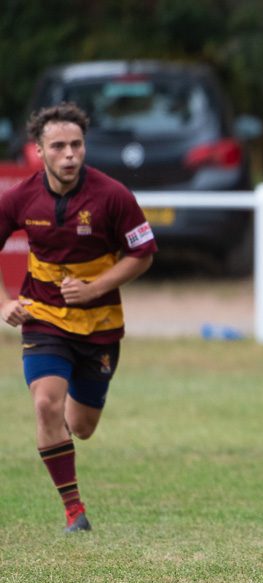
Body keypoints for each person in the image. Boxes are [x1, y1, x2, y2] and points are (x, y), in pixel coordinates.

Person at [0, 103, 157, 534]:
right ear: (39, 151)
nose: (69, 154)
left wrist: (94, 288)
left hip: (100, 326)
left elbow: (143, 253)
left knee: (82, 428)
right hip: (43, 318)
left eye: (76, 144)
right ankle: (74, 512)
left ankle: (59, 430)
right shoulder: (20, 197)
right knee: (46, 403)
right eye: (58, 146)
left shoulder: (113, 195)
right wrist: (3, 302)